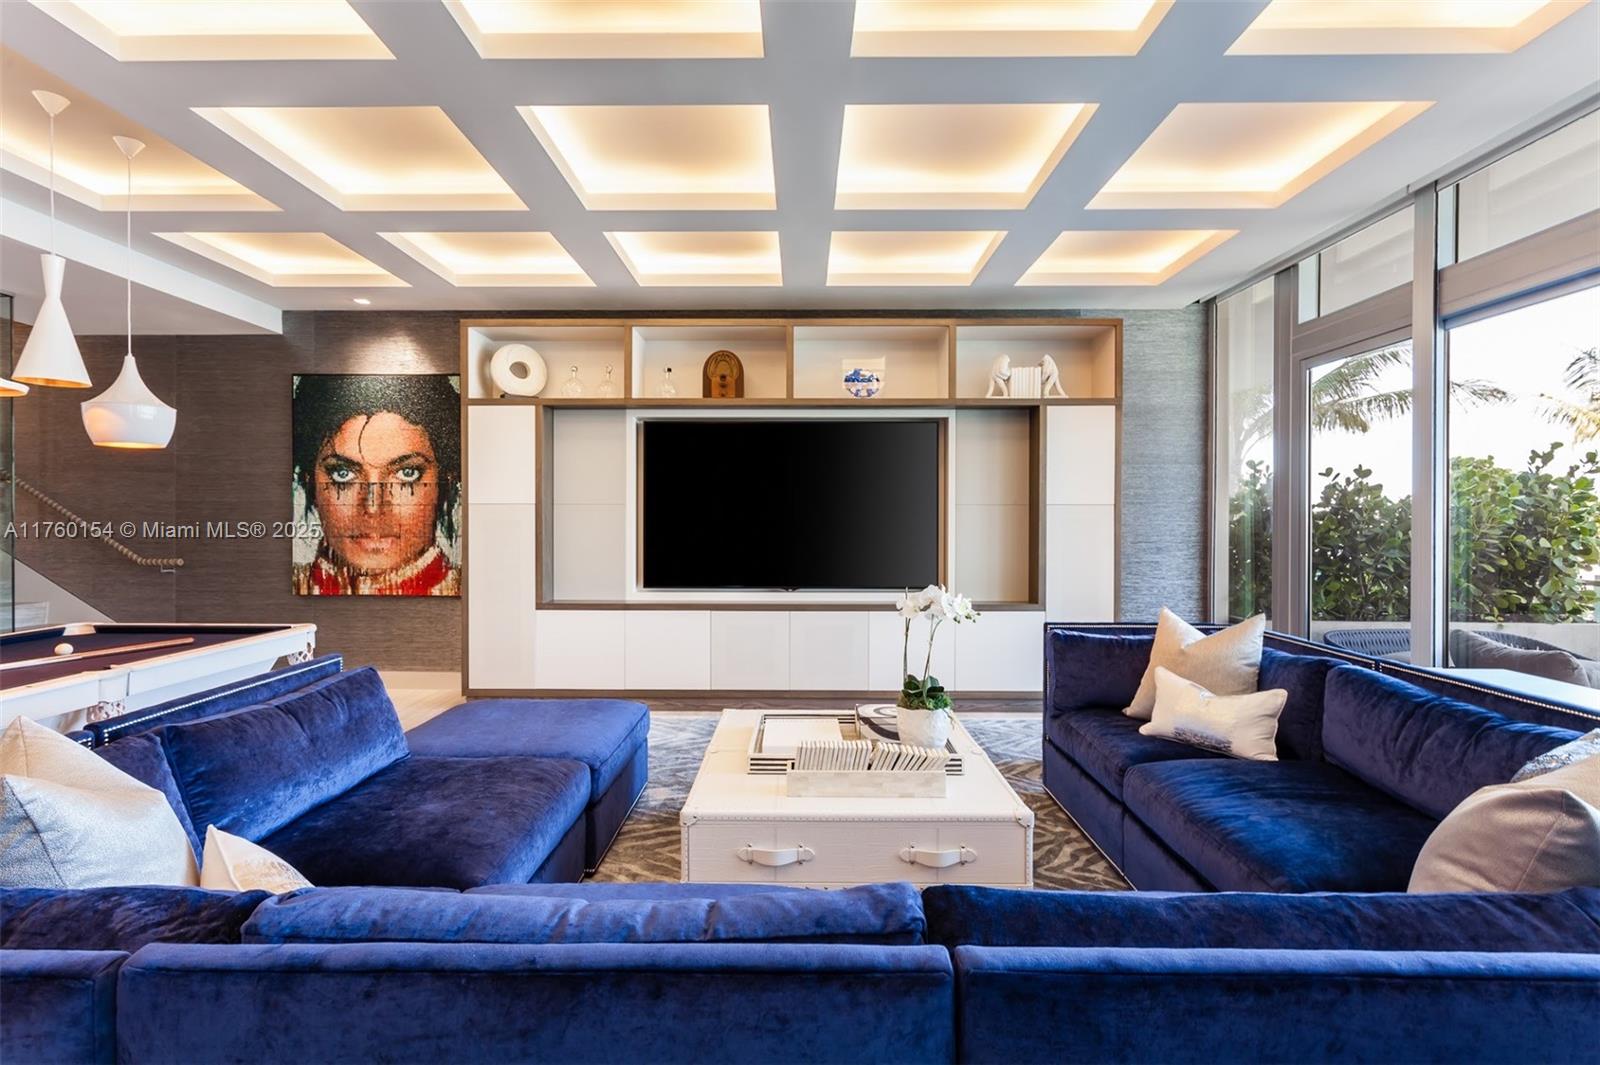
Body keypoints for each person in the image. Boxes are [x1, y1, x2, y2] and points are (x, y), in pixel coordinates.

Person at [291, 374, 461, 596]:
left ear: (445, 481)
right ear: (309, 480)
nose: (373, 507)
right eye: (343, 474)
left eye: (407, 474)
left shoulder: (480, 593)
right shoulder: (270, 593)